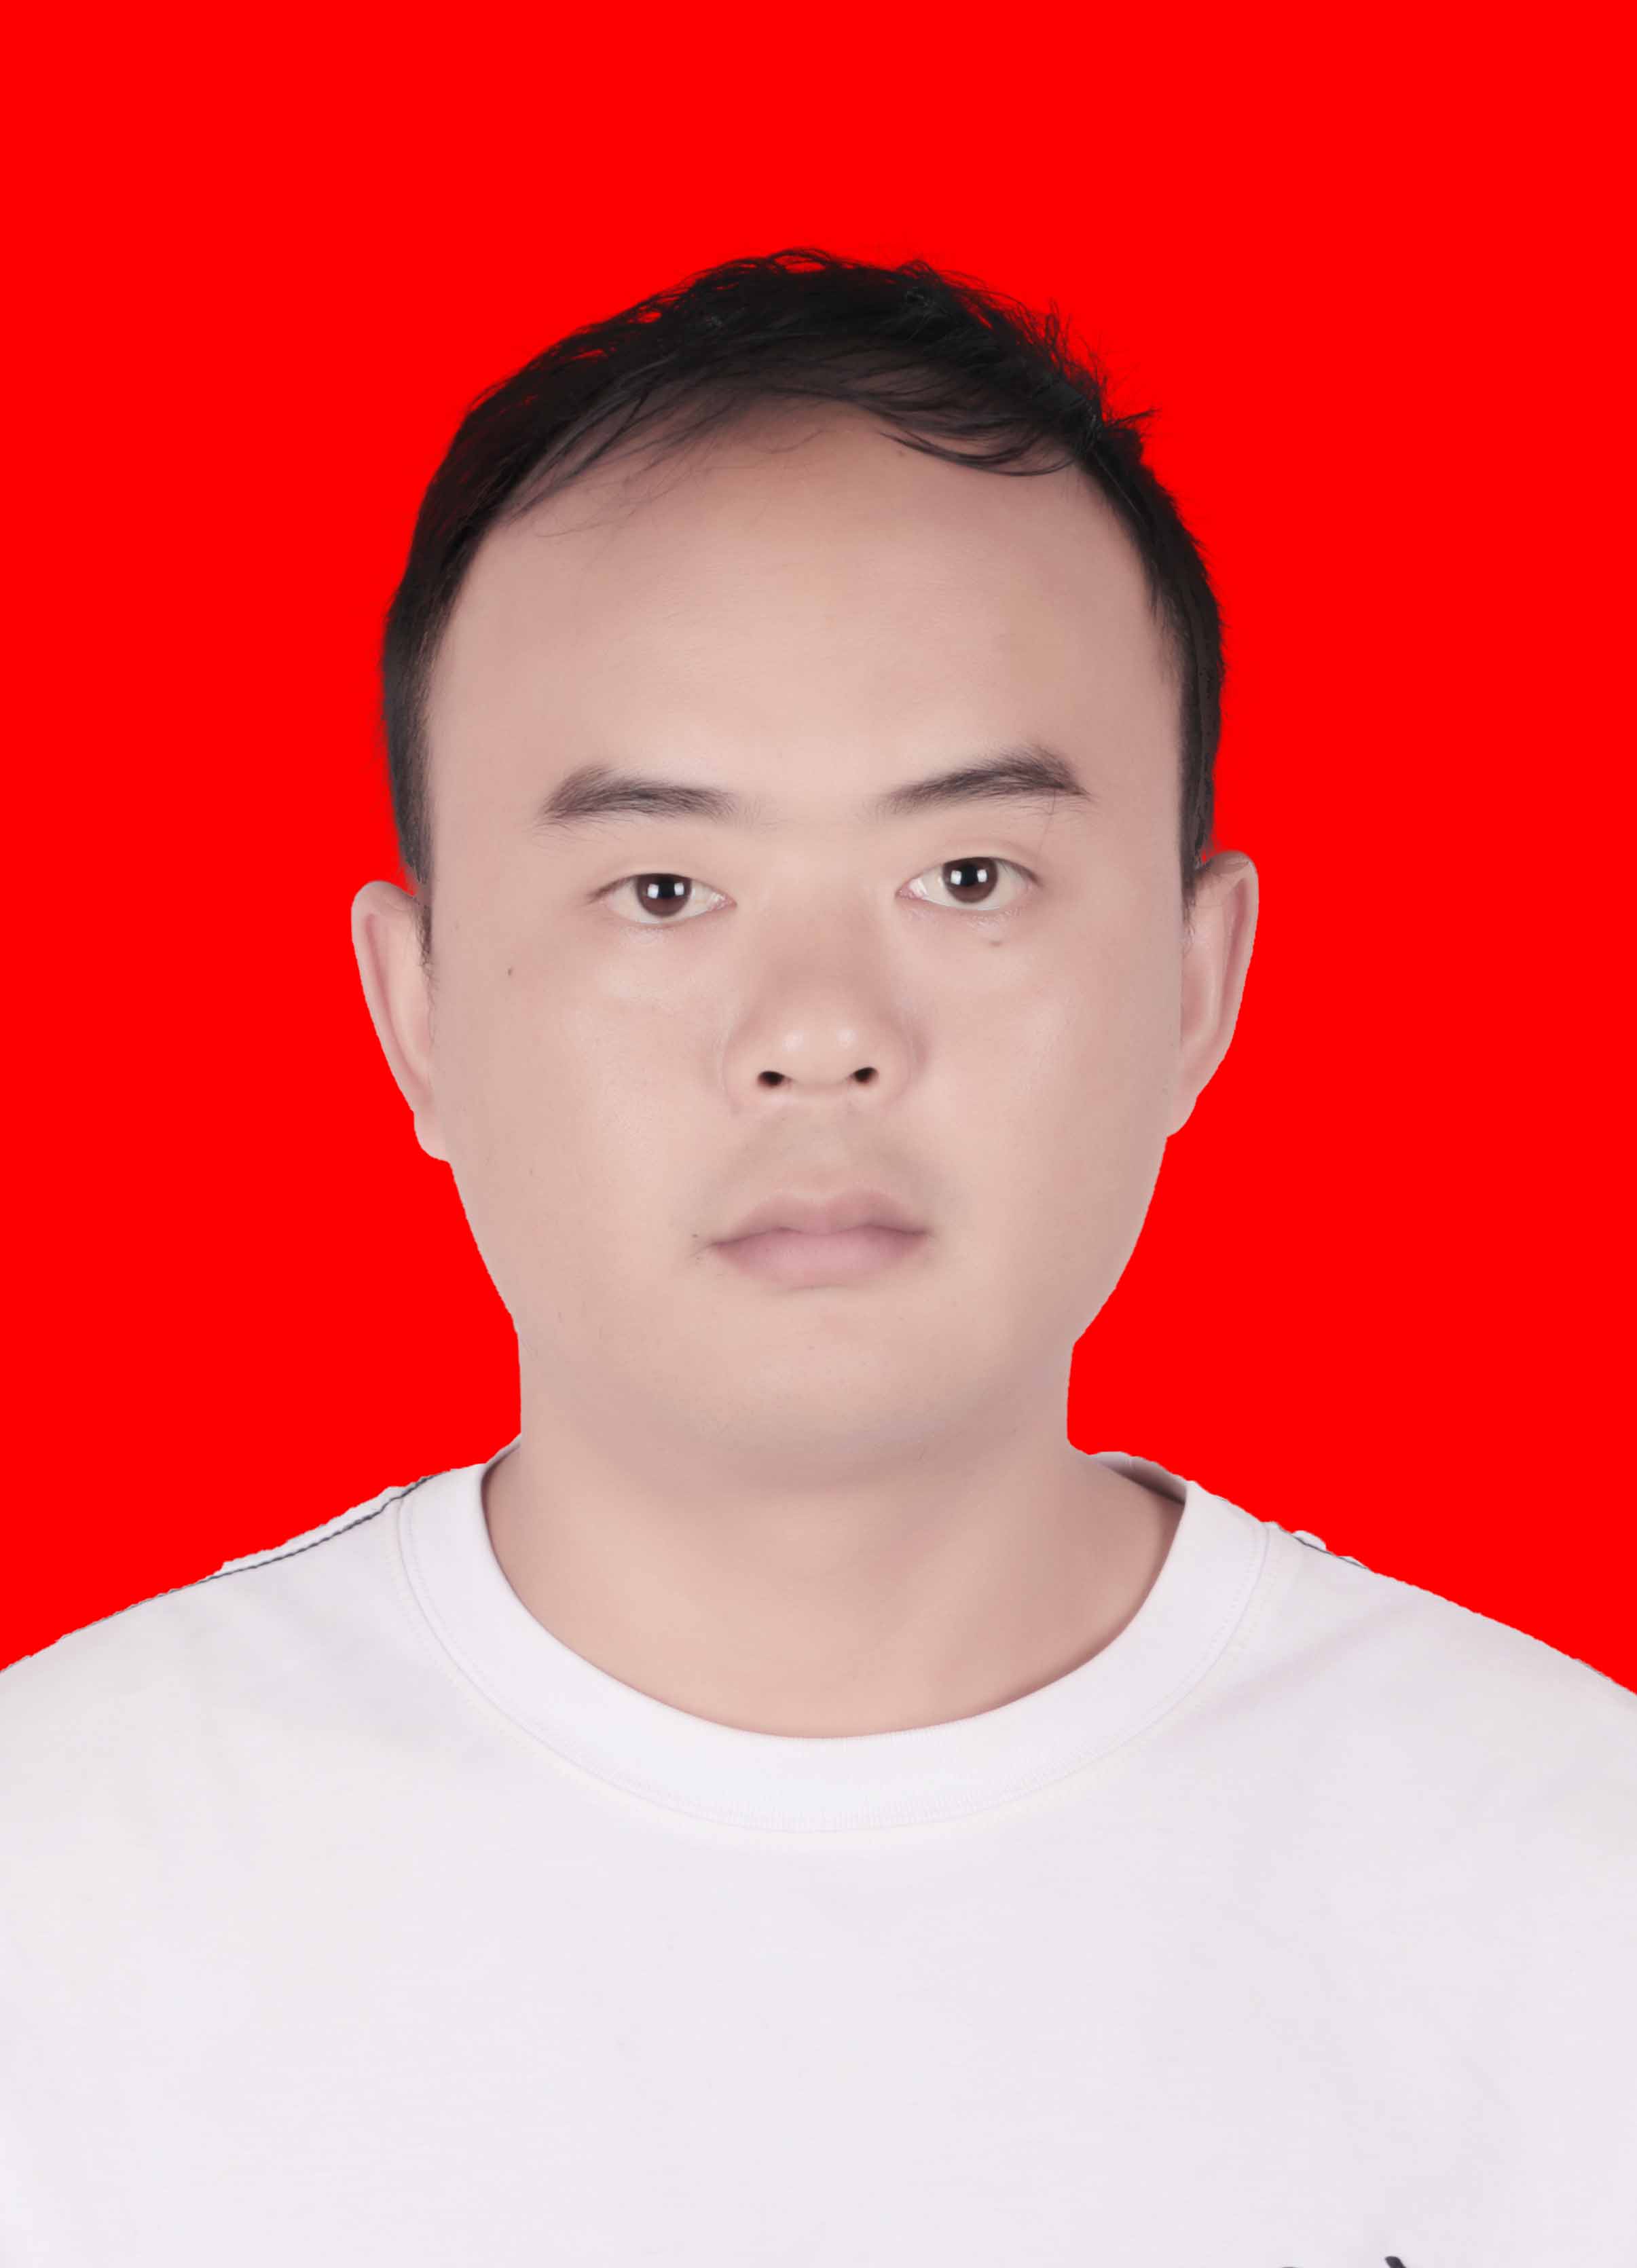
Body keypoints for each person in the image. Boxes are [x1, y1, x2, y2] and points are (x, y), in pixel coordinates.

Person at [1, 248, 1632, 2266]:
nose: (819, 1031)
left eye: (968, 874)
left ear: (1198, 983)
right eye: (661, 888)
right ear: (413, 1013)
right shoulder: (57, 1895)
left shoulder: (1578, 1901)